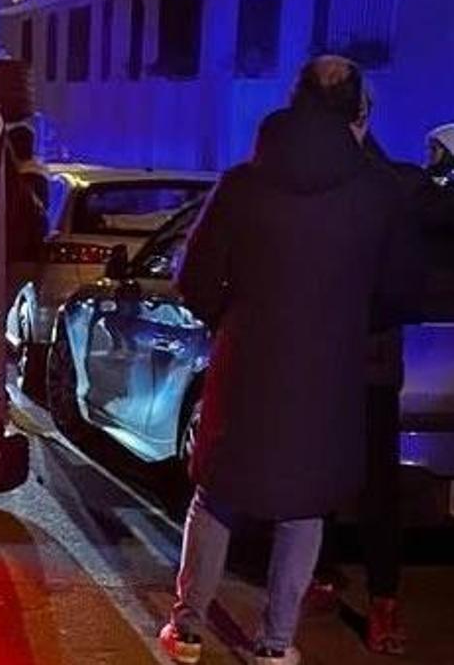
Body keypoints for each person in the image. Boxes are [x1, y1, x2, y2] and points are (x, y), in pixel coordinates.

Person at [158, 56, 418, 665]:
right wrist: (345, 323)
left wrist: (237, 319)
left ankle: (188, 631)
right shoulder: (378, 193)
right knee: (303, 510)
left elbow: (194, 279)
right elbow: (401, 290)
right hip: (329, 374)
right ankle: (275, 644)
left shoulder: (243, 183)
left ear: (295, 100)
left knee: (217, 494)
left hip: (245, 367)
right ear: (359, 113)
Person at [309, 111, 454, 655]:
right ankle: (379, 604)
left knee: (326, 475)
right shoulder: (399, 183)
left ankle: (328, 581)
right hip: (373, 357)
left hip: (335, 357)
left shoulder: (327, 185)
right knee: (377, 487)